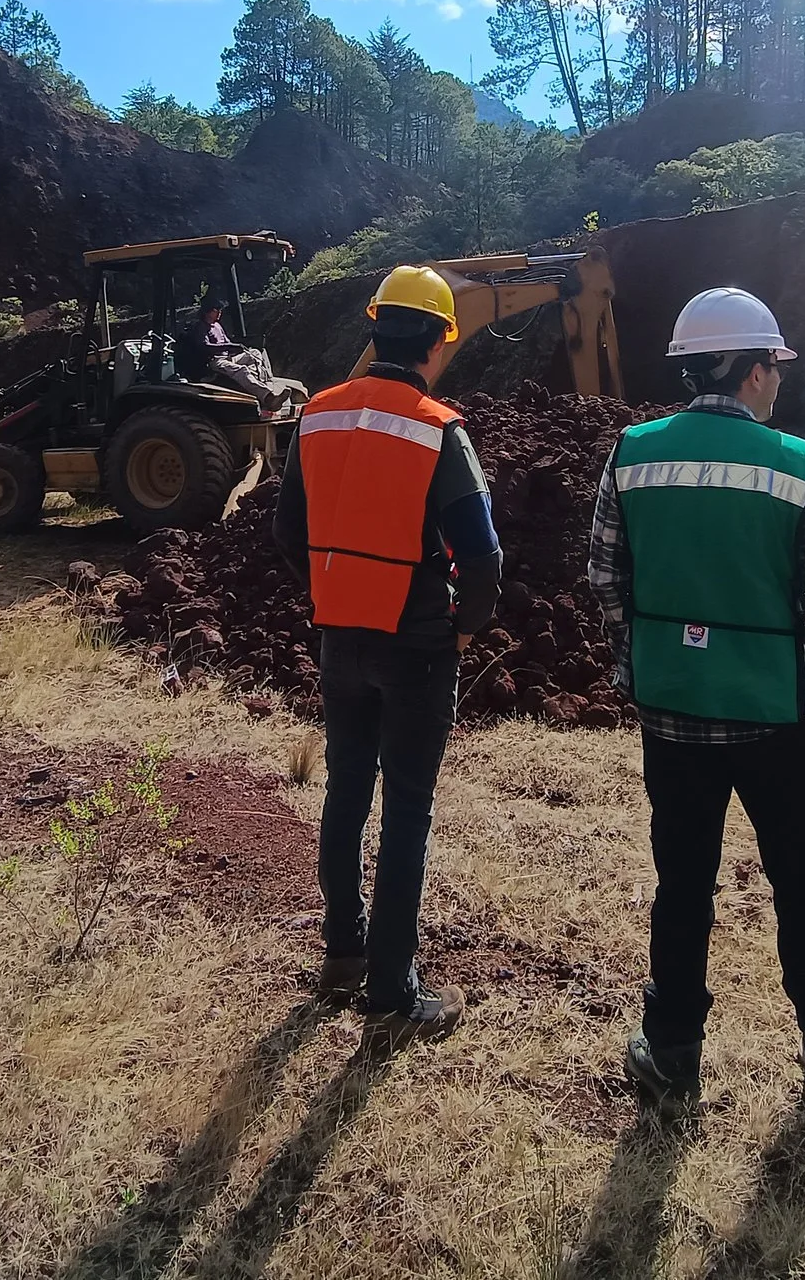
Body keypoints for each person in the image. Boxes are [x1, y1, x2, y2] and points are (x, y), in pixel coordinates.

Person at [585, 287, 805, 1117]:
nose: (778, 379)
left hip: (672, 713)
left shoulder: (632, 453)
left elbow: (605, 579)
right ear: (751, 370)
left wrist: (643, 662)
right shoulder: (798, 465)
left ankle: (672, 1053)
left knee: (683, 884)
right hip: (778, 714)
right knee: (800, 883)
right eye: (773, 365)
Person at [273, 266, 502, 1049]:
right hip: (416, 647)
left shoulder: (318, 414)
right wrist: (465, 628)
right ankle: (393, 993)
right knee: (407, 809)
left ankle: (343, 955)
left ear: (376, 329)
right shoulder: (439, 429)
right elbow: (482, 555)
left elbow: (287, 533)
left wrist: (332, 593)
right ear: (440, 340)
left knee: (346, 791)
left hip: (341, 639)